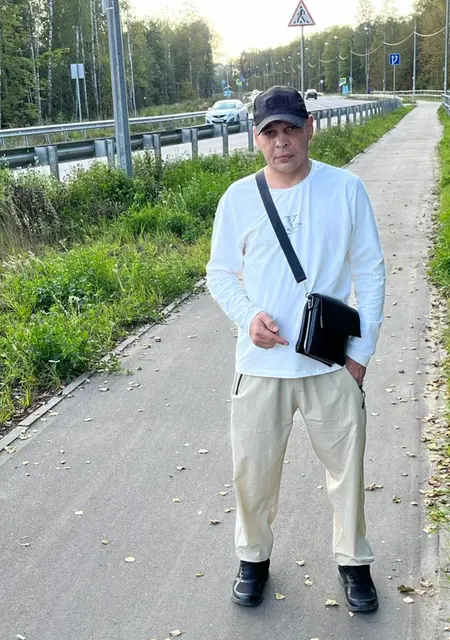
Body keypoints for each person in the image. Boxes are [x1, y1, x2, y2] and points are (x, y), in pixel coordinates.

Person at [206, 86, 386, 612]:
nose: (281, 141)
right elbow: (220, 273)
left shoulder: (345, 189)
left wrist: (360, 355)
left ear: (310, 128)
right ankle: (253, 560)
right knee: (253, 473)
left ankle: (354, 562)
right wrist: (248, 318)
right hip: (261, 366)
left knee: (346, 472)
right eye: (270, 132)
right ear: (256, 138)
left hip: (331, 364)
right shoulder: (238, 198)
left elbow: (370, 271)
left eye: (290, 129)